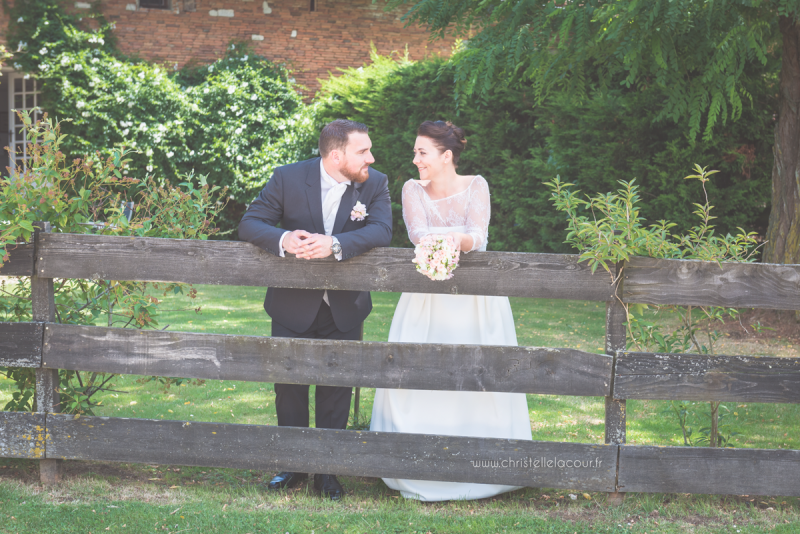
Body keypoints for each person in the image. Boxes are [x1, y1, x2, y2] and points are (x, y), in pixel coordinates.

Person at [369, 120, 532, 501]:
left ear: (446, 156)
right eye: (414, 152)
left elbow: (478, 234)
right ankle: (416, 463)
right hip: (426, 298)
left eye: (421, 152)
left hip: (476, 299)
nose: (415, 159)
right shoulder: (412, 190)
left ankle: (485, 465)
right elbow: (416, 233)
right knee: (420, 370)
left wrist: (455, 240)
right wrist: (441, 244)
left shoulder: (477, 185)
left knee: (480, 372)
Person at [238, 119, 392, 500]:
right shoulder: (288, 178)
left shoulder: (375, 183)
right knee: (288, 388)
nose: (371, 157)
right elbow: (250, 222)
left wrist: (336, 244)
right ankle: (292, 465)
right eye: (363, 151)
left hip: (345, 307)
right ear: (336, 155)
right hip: (291, 304)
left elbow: (382, 230)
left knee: (336, 389)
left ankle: (328, 472)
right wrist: (284, 237)